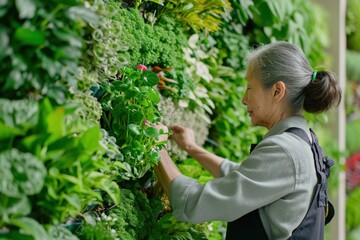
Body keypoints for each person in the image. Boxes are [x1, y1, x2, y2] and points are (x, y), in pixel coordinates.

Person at [153, 41, 342, 240]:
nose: (244, 99)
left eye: (250, 87)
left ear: (277, 91)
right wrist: (192, 148)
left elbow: (194, 204)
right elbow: (249, 179)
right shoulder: (304, 142)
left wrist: (157, 147)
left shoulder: (286, 151)